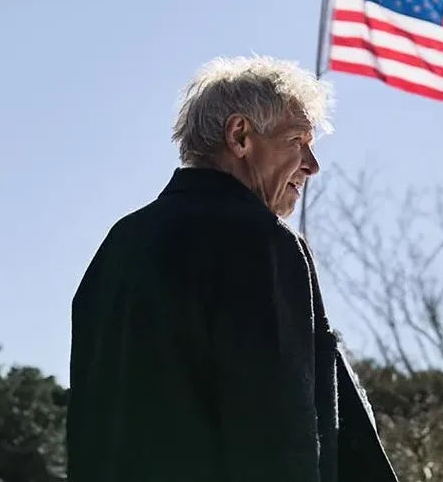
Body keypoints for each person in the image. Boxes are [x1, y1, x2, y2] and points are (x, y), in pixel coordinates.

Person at [66, 55, 398, 482]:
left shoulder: (118, 246)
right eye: (298, 140)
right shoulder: (260, 242)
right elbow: (277, 438)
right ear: (240, 135)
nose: (312, 165)